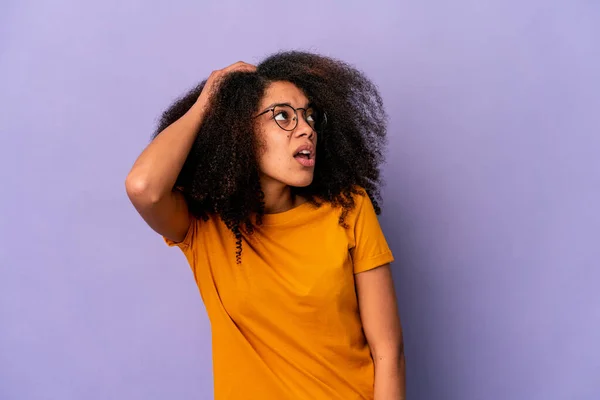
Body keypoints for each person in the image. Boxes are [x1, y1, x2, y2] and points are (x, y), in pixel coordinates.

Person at [125, 51, 405, 400]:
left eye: (310, 116)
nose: (306, 129)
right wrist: (209, 100)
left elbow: (388, 351)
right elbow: (143, 188)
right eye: (283, 116)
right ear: (239, 132)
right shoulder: (206, 225)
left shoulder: (347, 209)